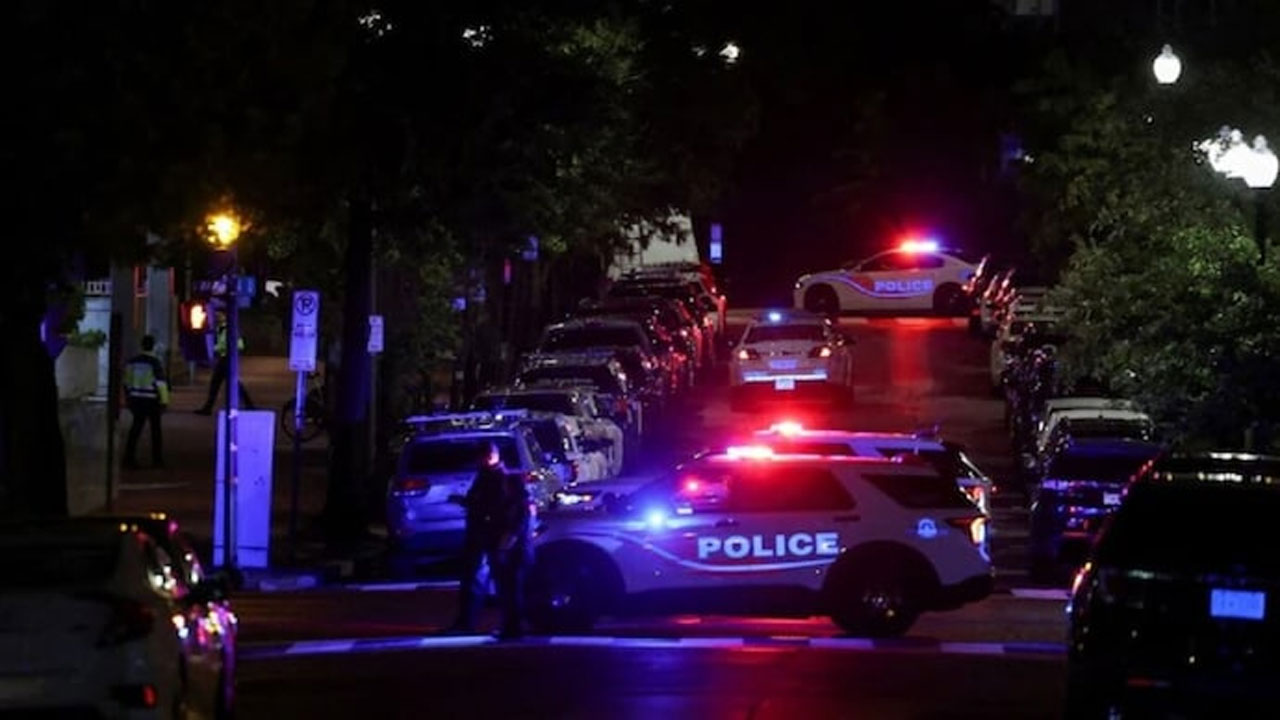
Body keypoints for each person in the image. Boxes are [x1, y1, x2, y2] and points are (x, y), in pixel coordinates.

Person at [448, 440, 533, 639]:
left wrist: (510, 535)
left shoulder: (506, 479)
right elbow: (482, 504)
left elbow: (520, 511)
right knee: (482, 580)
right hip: (486, 536)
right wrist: (465, 502)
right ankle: (469, 622)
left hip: (499, 538)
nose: (481, 461)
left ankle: (511, 627)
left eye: (484, 456)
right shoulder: (485, 477)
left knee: (507, 584)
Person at [122, 335, 170, 469]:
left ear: (141, 345)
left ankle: (129, 457)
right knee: (155, 430)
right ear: (153, 346)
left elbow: (126, 381)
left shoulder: (132, 362)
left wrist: (128, 397)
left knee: (135, 428)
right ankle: (157, 460)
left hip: (136, 398)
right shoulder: (155, 363)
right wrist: (164, 401)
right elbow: (161, 384)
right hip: (151, 399)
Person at [195, 310, 255, 414]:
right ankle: (249, 405)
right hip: (224, 359)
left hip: (227, 359)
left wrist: (216, 348)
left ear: (225, 316)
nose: (217, 317)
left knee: (223, 383)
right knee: (223, 383)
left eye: (219, 315)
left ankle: (208, 408)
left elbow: (239, 345)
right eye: (216, 315)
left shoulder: (229, 329)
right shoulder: (220, 328)